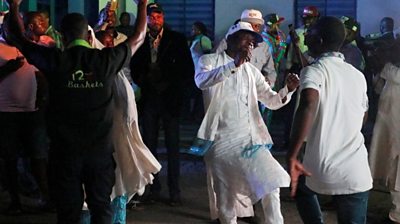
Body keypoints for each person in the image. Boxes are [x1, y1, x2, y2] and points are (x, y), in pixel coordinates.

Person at [5, 0, 148, 223]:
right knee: (101, 210)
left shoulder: (55, 60)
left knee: (68, 213)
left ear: (62, 36)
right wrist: (142, 5)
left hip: (64, 155)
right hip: (99, 155)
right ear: (90, 37)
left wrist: (14, 6)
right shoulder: (106, 60)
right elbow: (138, 37)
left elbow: (18, 39)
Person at [195, 21, 299, 224]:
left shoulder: (252, 72)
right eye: (246, 39)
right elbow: (202, 81)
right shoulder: (209, 60)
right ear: (231, 40)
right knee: (226, 201)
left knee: (272, 181)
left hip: (250, 141)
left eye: (253, 42)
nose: (250, 45)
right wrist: (233, 65)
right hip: (220, 141)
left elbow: (271, 101)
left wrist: (288, 90)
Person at [287, 16, 372, 224]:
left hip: (322, 167)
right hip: (356, 170)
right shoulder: (357, 75)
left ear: (320, 42)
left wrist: (292, 154)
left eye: (310, 35)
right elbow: (364, 114)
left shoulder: (313, 71)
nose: (305, 38)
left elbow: (308, 102)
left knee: (300, 185)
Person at [129, 2, 194, 206]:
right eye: (151, 17)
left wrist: (167, 81)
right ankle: (153, 188)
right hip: (149, 99)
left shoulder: (176, 39)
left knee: (173, 147)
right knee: (149, 146)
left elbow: (186, 70)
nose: (155, 20)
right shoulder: (140, 40)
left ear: (163, 18)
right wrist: (146, 78)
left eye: (158, 16)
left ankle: (174, 190)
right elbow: (134, 67)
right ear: (146, 19)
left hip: (170, 99)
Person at [369, 40, 400, 224]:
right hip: (391, 130)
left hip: (393, 132)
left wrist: (382, 66)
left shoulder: (390, 71)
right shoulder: (388, 72)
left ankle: (397, 214)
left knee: (395, 172)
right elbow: (378, 88)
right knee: (392, 169)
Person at [215, 9, 277, 87]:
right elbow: (215, 68)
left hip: (255, 93)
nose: (255, 29)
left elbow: (270, 71)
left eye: (257, 26)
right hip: (231, 91)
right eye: (250, 25)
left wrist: (267, 82)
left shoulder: (264, 46)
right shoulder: (227, 43)